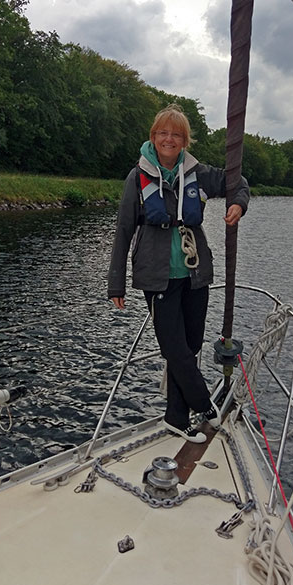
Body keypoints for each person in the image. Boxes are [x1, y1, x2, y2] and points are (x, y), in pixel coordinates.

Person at [107, 103, 249, 443]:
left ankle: (176, 417)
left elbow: (238, 182)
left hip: (194, 274)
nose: (169, 139)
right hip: (157, 277)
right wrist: (116, 281)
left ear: (184, 141)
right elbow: (124, 229)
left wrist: (238, 203)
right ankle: (205, 405)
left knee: (191, 344)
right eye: (163, 133)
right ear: (153, 137)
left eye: (176, 134)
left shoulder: (198, 173)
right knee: (175, 349)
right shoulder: (137, 176)